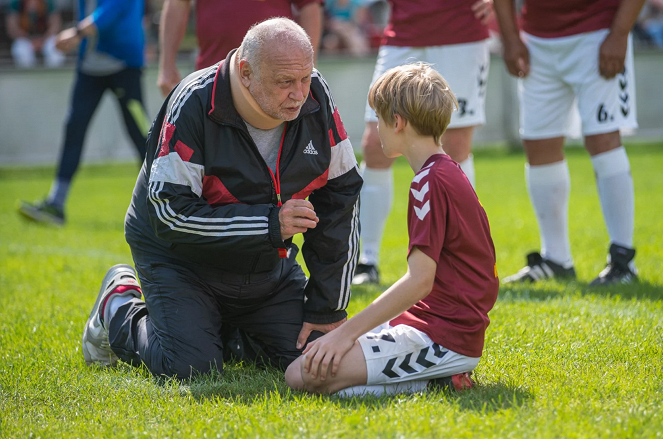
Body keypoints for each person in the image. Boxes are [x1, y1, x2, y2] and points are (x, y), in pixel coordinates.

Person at [81, 18, 363, 379]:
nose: (300, 93)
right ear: (246, 73)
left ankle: (219, 328)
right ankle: (117, 306)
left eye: (305, 78)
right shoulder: (193, 102)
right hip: (181, 262)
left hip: (264, 265)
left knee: (314, 358)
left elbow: (341, 199)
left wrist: (327, 309)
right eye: (285, 82)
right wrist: (268, 223)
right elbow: (169, 214)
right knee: (190, 368)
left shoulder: (316, 95)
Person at [285, 63, 499, 396]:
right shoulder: (446, 171)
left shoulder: (429, 182)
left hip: (445, 336)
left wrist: (345, 333)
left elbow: (420, 280)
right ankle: (434, 380)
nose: (375, 128)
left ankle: (440, 378)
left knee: (301, 375)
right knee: (313, 361)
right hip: (436, 323)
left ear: (397, 122)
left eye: (378, 118)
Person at [494, 0, 646, 285]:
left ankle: (623, 261)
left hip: (598, 32)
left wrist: (620, 33)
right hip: (537, 39)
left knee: (604, 139)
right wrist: (511, 38)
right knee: (538, 144)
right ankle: (557, 258)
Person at [353, 0, 494, 285]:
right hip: (404, 33)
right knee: (374, 146)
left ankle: (457, 256)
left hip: (461, 34)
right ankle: (367, 260)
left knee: (454, 148)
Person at [17, 0, 149, 226]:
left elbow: (114, 9)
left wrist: (76, 33)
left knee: (142, 134)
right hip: (89, 68)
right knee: (74, 128)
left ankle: (159, 203)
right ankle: (56, 203)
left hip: (124, 64)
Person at [157, 0, 324, 97]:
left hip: (274, 76)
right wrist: (167, 65)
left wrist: (308, 67)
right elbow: (177, 3)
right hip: (212, 72)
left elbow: (309, 6)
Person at [5, 0, 65, 68]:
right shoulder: (16, 3)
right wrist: (30, 40)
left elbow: (55, 25)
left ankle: (53, 76)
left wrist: (42, 40)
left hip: (46, 38)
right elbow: (12, 28)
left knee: (55, 52)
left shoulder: (48, 3)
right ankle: (28, 76)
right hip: (25, 39)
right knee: (21, 51)